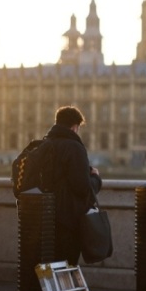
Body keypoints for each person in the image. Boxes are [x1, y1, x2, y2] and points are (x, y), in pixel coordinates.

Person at [44, 105, 102, 265]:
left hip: (46, 217)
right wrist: (96, 179)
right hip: (68, 219)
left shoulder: (45, 144)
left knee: (51, 264)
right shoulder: (74, 147)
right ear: (75, 127)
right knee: (67, 264)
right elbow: (82, 188)